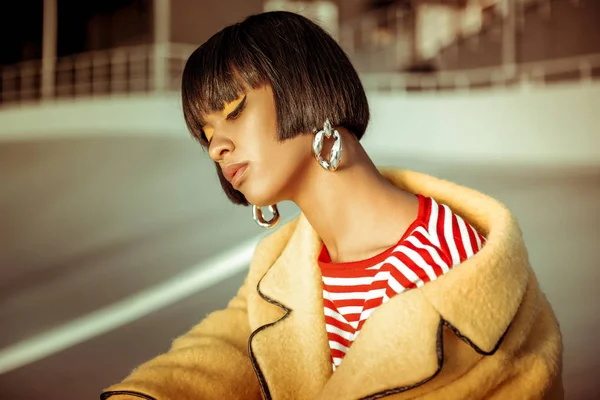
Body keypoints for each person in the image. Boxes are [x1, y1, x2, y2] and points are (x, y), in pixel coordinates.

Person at [101, 11, 563, 400]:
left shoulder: (448, 262)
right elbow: (220, 349)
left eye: (235, 110)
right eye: (205, 135)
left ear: (305, 85)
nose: (216, 148)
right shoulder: (283, 264)